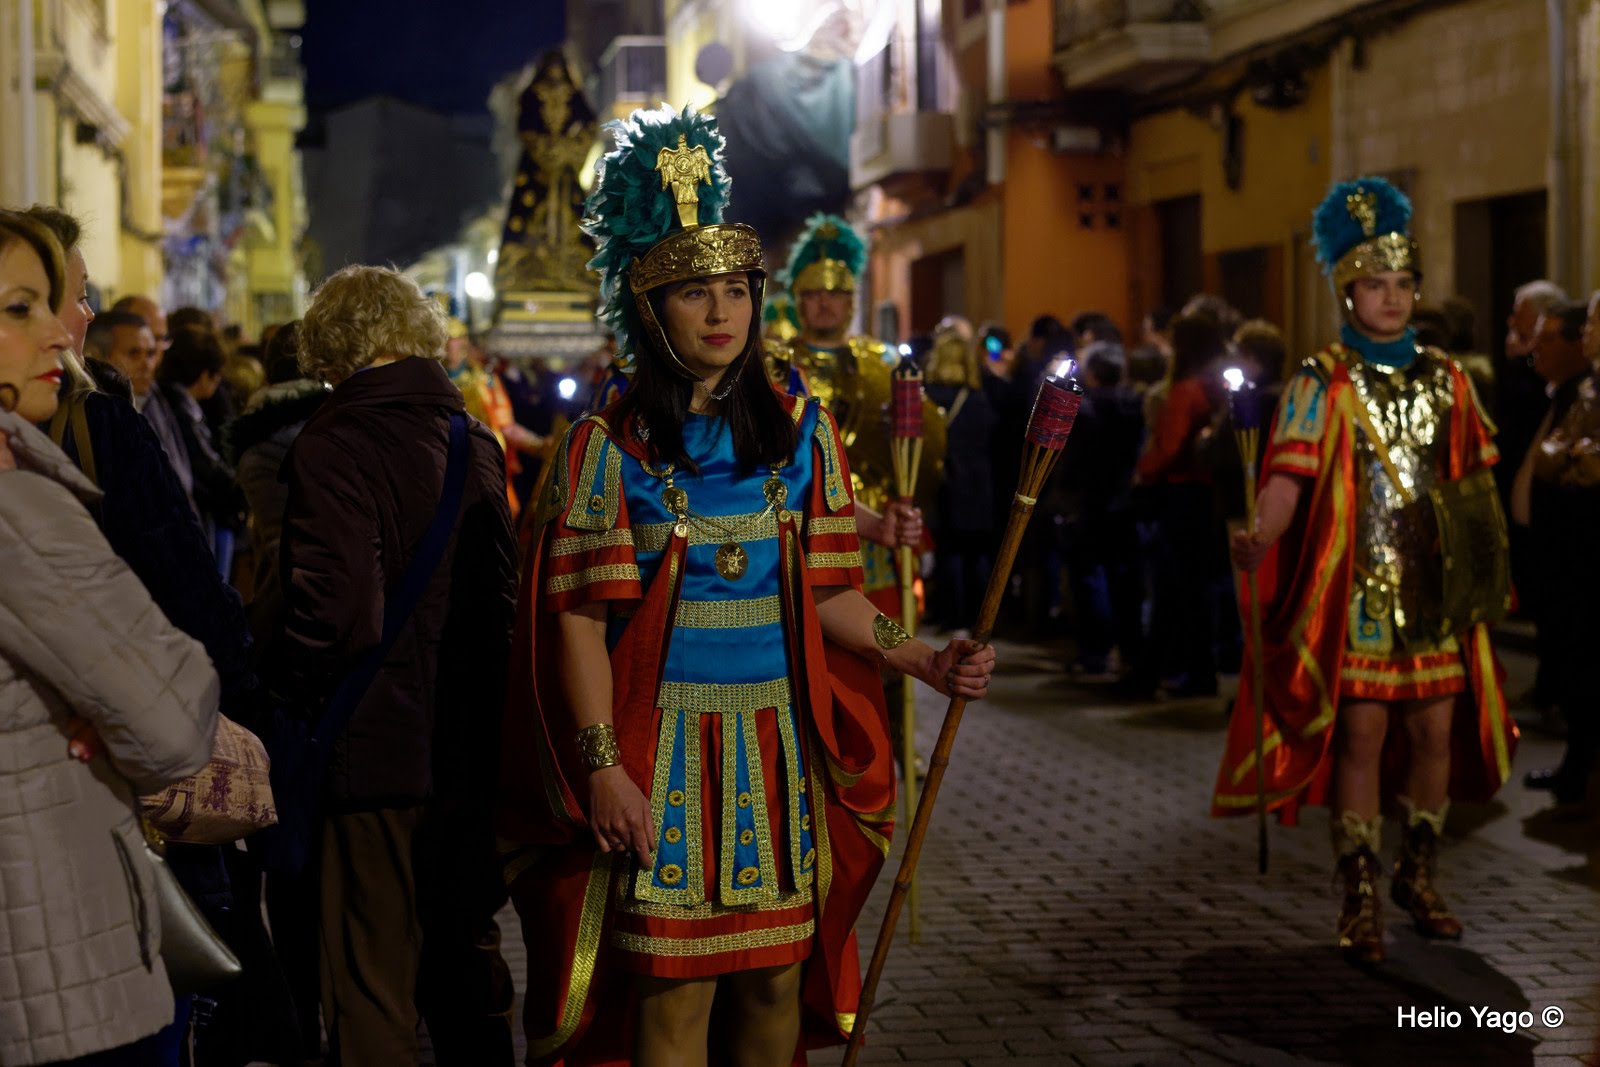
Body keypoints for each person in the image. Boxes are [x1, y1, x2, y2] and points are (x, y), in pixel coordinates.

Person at [497, 105, 996, 1066]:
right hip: (664, 758)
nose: (723, 312)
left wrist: (926, 659)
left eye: (736, 289)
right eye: (694, 292)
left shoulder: (801, 433)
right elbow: (578, 626)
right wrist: (603, 764)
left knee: (774, 988)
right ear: (651, 307)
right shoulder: (608, 452)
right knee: (675, 1003)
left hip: (776, 753)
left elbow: (833, 595)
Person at [1215, 177, 1518, 965]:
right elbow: (1285, 479)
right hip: (1360, 590)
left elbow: (1476, 485)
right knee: (1361, 731)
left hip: (1438, 590)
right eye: (1375, 284)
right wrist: (1258, 534)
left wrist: (1490, 578)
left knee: (1434, 730)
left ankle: (1420, 872)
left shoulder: (1449, 375)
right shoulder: (1322, 379)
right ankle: (1359, 889)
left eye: (1403, 284)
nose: (1391, 297)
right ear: (1348, 291)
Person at [270, 264, 518, 1066]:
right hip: (468, 752)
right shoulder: (470, 437)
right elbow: (502, 597)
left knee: (373, 984)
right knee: (465, 966)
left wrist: (285, 688)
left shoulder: (334, 440)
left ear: (331, 344)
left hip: (373, 758)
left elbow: (338, 616)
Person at [0, 207, 220, 1067]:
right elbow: (171, 719)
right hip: (56, 956)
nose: (61, 329)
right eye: (21, 308)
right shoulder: (19, 506)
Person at [764, 211, 937, 622]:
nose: (825, 302)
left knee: (884, 632)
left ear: (851, 300)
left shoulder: (884, 363)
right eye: (813, 293)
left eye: (836, 292)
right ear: (798, 301)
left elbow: (920, 444)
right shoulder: (774, 365)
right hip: (805, 514)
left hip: (876, 514)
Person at [1513, 298, 1600, 806]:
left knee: (1585, 664)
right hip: (1566, 547)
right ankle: (1577, 763)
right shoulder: (1583, 391)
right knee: (1576, 663)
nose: (1590, 331)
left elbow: (1577, 463)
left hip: (1584, 548)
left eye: (1593, 323)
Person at [1135, 313, 1229, 697]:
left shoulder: (1185, 390)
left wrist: (1142, 472)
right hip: (1210, 496)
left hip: (1181, 496)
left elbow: (1168, 448)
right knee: (1199, 589)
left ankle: (1174, 671)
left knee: (1175, 588)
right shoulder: (1219, 386)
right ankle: (1196, 669)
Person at [924, 318, 997, 633]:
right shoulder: (979, 399)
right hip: (977, 482)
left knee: (949, 550)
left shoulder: (929, 398)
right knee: (976, 552)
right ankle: (979, 617)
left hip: (945, 481)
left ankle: (951, 615)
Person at [158, 325, 246, 579]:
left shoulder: (170, 402)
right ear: (204, 374)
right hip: (203, 519)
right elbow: (204, 466)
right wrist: (237, 489)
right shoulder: (182, 410)